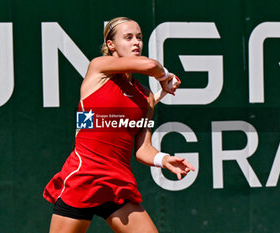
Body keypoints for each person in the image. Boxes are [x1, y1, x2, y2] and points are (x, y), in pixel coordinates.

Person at [43, 17, 195, 233]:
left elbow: (143, 150)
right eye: (128, 37)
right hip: (84, 176)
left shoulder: (147, 97)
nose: (136, 43)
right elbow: (150, 65)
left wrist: (164, 159)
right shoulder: (99, 69)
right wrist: (166, 76)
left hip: (117, 182)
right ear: (111, 45)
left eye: (139, 38)